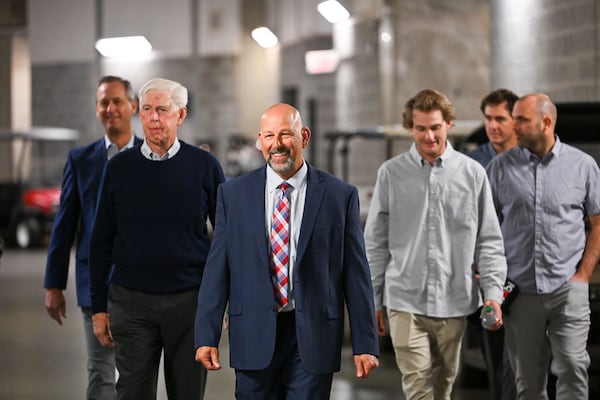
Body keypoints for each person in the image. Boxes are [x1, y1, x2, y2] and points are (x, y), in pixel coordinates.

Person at [194, 103, 380, 399]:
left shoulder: (338, 196)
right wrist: (206, 334)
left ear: (304, 137)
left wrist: (365, 342)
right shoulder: (233, 195)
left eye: (285, 135)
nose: (276, 145)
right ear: (260, 140)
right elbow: (218, 270)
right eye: (268, 136)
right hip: (253, 332)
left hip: (314, 334)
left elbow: (356, 275)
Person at [364, 89, 507, 400]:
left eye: (435, 127)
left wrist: (493, 294)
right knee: (417, 385)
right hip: (404, 297)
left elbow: (489, 240)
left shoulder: (472, 174)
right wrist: (372, 299)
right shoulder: (391, 174)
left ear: (448, 124)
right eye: (420, 128)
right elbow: (375, 242)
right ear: (411, 128)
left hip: (453, 299)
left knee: (443, 385)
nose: (428, 136)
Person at [89, 77, 225, 399]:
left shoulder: (204, 167)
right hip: (132, 303)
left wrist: (221, 303)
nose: (153, 118)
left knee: (188, 393)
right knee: (132, 393)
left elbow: (226, 240)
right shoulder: (118, 168)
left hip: (189, 304)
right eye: (147, 109)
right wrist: (98, 308)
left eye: (162, 110)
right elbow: (100, 241)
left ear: (181, 115)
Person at [487, 93, 600, 400]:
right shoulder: (499, 169)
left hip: (568, 288)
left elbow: (598, 223)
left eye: (521, 119)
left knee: (574, 368)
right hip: (520, 292)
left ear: (546, 122)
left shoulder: (583, 166)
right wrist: (490, 281)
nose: (514, 125)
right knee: (528, 383)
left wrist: (583, 275)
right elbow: (486, 230)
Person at [44, 75, 141, 400]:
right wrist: (54, 284)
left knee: (136, 374)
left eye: (117, 101)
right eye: (104, 102)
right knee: (100, 372)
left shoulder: (152, 158)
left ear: (133, 106)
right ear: (97, 109)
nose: (110, 108)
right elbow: (65, 225)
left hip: (142, 286)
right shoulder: (81, 161)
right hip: (94, 285)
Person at [466, 88, 519, 400]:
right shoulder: (472, 164)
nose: (493, 125)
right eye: (488, 118)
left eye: (501, 118)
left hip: (526, 272)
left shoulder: (530, 160)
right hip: (487, 277)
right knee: (496, 356)